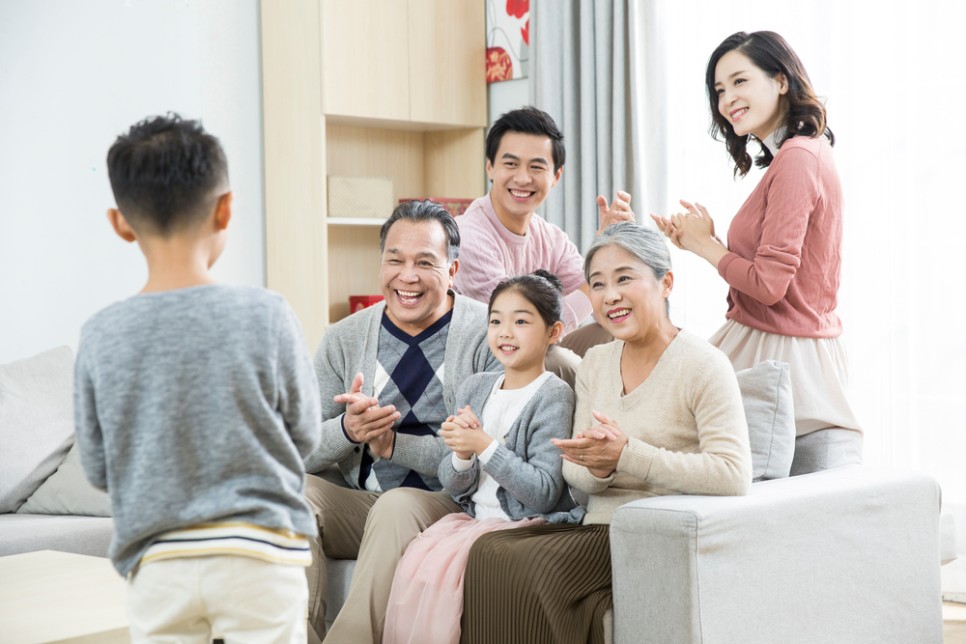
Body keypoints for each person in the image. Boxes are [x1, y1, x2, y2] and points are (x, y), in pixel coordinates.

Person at [73, 114, 321, 643]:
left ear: (120, 223)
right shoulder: (267, 314)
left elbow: (97, 467)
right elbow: (304, 435)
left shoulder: (100, 334)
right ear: (225, 208)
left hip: (159, 563)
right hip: (261, 555)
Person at [460, 222, 752, 644]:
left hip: (654, 531)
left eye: (624, 279)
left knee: (527, 563)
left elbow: (732, 474)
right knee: (489, 551)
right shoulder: (595, 363)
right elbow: (574, 471)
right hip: (594, 525)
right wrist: (598, 467)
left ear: (666, 283)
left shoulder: (705, 365)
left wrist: (627, 455)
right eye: (597, 284)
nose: (609, 295)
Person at [652, 31, 862, 474]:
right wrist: (703, 241)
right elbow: (778, 271)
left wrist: (706, 247)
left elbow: (769, 286)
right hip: (777, 344)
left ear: (781, 81)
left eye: (739, 81)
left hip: (783, 354)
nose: (727, 99)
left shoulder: (799, 158)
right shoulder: (795, 156)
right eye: (719, 90)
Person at [302, 200, 502, 643]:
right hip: (363, 505)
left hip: (448, 505)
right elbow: (298, 448)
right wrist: (347, 431)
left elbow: (485, 451)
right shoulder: (344, 338)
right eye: (395, 260)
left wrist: (394, 446)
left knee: (397, 505)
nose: (407, 276)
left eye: (425, 262)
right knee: (289, 491)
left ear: (452, 270)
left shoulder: (488, 335)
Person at [383, 270, 581, 644]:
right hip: (474, 519)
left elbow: (543, 492)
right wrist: (461, 454)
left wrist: (484, 445)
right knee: (418, 565)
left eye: (521, 321)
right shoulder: (476, 387)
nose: (505, 333)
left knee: (468, 567)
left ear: (553, 332)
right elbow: (454, 484)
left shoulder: (553, 395)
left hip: (525, 523)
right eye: (496, 321)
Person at [453, 106, 634, 384]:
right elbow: (518, 327)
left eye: (536, 167)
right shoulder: (469, 235)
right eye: (511, 164)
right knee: (561, 361)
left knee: (619, 331)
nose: (523, 178)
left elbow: (603, 305)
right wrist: (597, 280)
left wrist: (609, 247)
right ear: (490, 167)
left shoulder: (551, 237)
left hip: (537, 349)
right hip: (485, 366)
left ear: (556, 176)